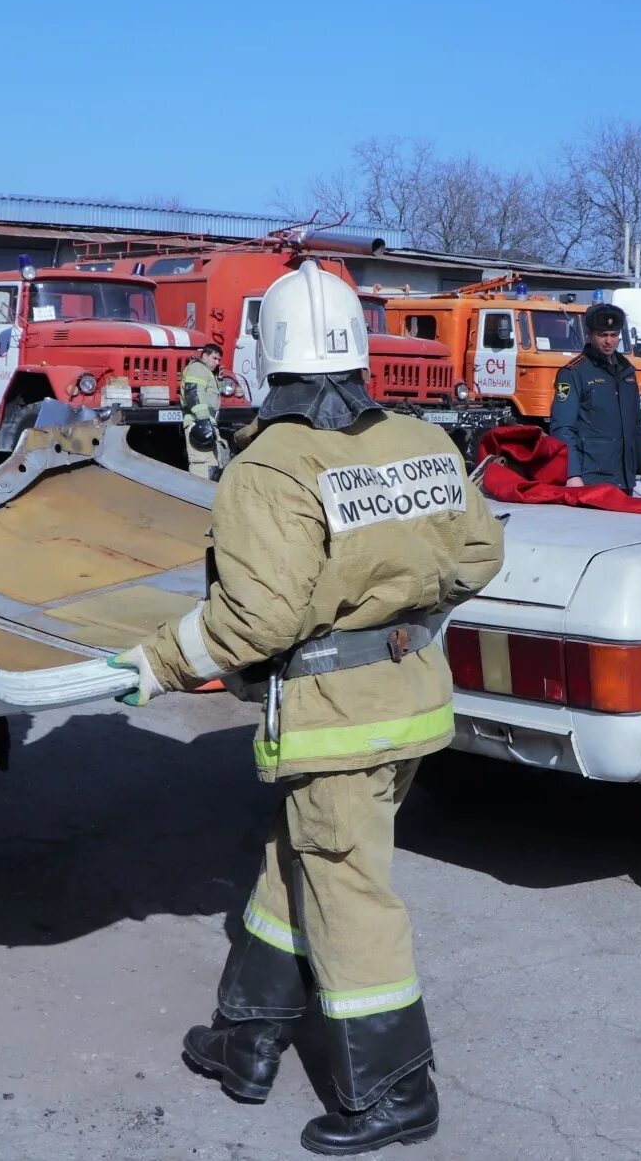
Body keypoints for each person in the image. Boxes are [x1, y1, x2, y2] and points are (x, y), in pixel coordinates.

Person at [110, 260, 504, 1155]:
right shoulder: (420, 438)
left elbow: (259, 619)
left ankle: (398, 1089)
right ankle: (246, 1039)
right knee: (302, 855)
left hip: (335, 714)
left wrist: (157, 662)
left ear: (266, 354)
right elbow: (480, 553)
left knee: (345, 883)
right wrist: (406, 606)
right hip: (410, 702)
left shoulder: (271, 465)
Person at [548, 301, 641, 494]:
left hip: (624, 477)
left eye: (614, 335)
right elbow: (563, 428)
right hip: (590, 476)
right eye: (603, 335)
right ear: (590, 334)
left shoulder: (626, 371)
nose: (609, 341)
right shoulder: (574, 372)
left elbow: (635, 426)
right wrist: (571, 474)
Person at [181, 341, 227, 479]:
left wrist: (218, 381)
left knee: (211, 464)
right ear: (205, 356)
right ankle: (197, 498)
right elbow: (193, 393)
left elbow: (209, 397)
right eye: (214, 358)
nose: (217, 362)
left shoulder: (206, 372)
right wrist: (203, 420)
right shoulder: (198, 368)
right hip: (199, 423)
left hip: (205, 422)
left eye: (219, 359)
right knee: (203, 465)